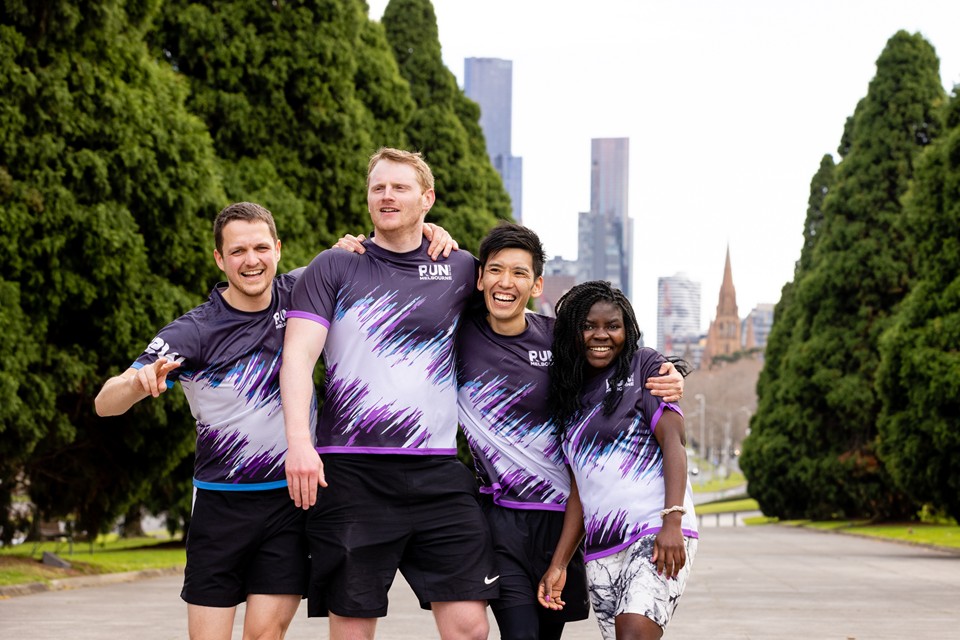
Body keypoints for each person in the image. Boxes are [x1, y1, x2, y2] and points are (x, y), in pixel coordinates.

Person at [94, 201, 454, 640]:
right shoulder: (195, 331)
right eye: (238, 251)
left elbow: (387, 247)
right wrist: (136, 384)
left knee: (264, 635)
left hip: (289, 503)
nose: (251, 261)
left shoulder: (303, 289)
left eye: (261, 247)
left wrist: (432, 232)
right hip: (220, 505)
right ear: (219, 259)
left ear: (278, 249)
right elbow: (104, 403)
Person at [280, 148, 497, 640]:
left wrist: (656, 366)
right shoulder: (333, 266)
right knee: (353, 628)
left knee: (470, 627)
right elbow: (297, 358)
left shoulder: (462, 268)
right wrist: (299, 443)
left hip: (437, 470)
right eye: (378, 187)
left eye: (400, 187)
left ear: (428, 198)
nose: (387, 196)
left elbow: (519, 320)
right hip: (351, 472)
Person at [456, 224, 685, 640]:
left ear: (536, 284)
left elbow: (619, 359)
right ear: (480, 278)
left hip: (566, 520)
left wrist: (671, 374)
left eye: (520, 273)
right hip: (501, 519)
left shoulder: (563, 341)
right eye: (496, 270)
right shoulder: (458, 333)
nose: (506, 282)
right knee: (519, 632)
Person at [542, 281, 698, 640]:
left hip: (655, 532)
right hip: (601, 551)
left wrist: (672, 521)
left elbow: (674, 443)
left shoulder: (645, 367)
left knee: (633, 634)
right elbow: (581, 492)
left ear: (626, 330)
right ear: (574, 332)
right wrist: (560, 564)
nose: (601, 335)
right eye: (589, 326)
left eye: (612, 326)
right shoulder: (568, 399)